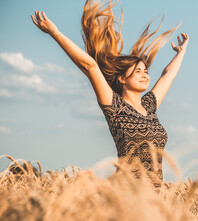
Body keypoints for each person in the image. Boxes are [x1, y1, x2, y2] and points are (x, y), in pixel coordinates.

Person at [31, 0, 189, 185]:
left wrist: (181, 52)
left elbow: (167, 75)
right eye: (137, 71)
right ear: (122, 79)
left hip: (154, 197)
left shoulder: (150, 106)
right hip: (125, 193)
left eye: (146, 71)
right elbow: (89, 66)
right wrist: (55, 33)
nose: (144, 75)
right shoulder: (114, 106)